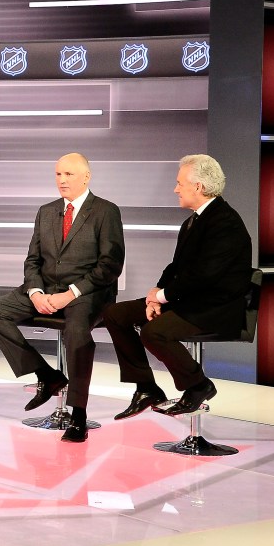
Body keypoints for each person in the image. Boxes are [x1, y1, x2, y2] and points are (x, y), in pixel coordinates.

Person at [0, 153, 125, 442]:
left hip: (88, 292)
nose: (62, 180)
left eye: (69, 174)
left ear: (86, 176)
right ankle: (46, 374)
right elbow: (32, 260)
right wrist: (35, 292)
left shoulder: (106, 211)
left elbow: (110, 266)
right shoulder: (46, 211)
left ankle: (78, 414)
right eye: (58, 174)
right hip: (45, 290)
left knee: (77, 331)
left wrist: (69, 295)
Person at [103, 154, 252, 419]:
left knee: (153, 332)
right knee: (115, 315)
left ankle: (199, 385)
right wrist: (155, 296)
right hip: (188, 300)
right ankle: (147, 388)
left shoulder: (225, 223)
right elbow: (176, 268)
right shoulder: (193, 220)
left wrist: (163, 296)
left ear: (199, 186)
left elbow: (204, 276)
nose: (175, 189)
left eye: (180, 183)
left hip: (215, 309)